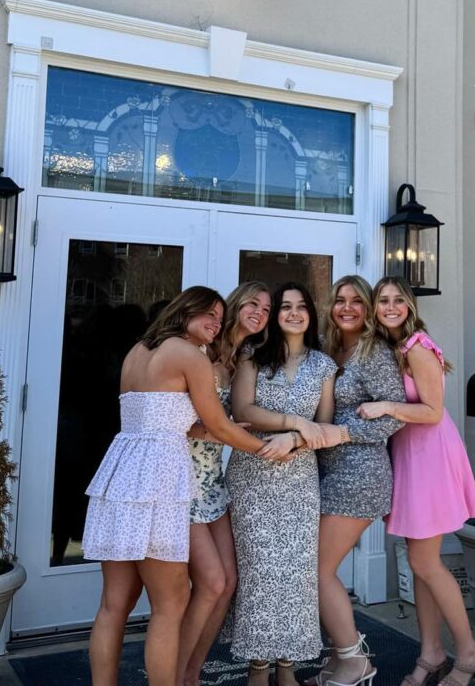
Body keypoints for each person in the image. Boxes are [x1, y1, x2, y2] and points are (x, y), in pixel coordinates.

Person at [82, 287, 291, 686]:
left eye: (218, 316)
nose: (215, 323)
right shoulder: (190, 355)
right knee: (170, 604)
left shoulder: (137, 351)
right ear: (184, 311)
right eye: (208, 315)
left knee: (113, 606)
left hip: (123, 472)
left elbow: (161, 415)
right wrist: (268, 450)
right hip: (161, 478)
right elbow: (219, 425)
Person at [360, 278, 475, 686]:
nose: (391, 306)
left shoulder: (417, 346)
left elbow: (432, 411)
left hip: (429, 454)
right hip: (410, 454)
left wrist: (383, 407)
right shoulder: (391, 349)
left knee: (425, 561)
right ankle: (430, 652)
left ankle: (467, 653)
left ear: (409, 306)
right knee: (418, 563)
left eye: (398, 300)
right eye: (384, 300)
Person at [226, 282, 345, 686]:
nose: (293, 313)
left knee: (295, 573)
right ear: (275, 315)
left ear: (311, 314)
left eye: (301, 307)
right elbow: (242, 410)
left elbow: (326, 426)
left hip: (299, 480)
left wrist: (296, 438)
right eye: (285, 307)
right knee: (259, 571)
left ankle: (288, 665)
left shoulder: (324, 366)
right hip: (252, 475)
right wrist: (294, 421)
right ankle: (258, 666)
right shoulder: (252, 356)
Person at [307, 275, 406, 686]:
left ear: (367, 309)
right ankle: (337, 660)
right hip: (330, 471)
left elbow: (397, 415)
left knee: (317, 568)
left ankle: (353, 660)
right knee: (318, 567)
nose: (346, 307)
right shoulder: (332, 351)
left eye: (356, 301)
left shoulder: (374, 352)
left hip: (361, 473)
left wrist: (344, 433)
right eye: (339, 300)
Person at [175, 282, 272, 686]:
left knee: (228, 582)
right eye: (253, 303)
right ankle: (172, 676)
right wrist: (229, 433)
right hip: (183, 479)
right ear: (235, 305)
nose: (260, 312)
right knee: (211, 581)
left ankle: (192, 674)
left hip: (213, 479)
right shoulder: (199, 351)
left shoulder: (240, 359)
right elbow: (173, 418)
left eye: (267, 309)